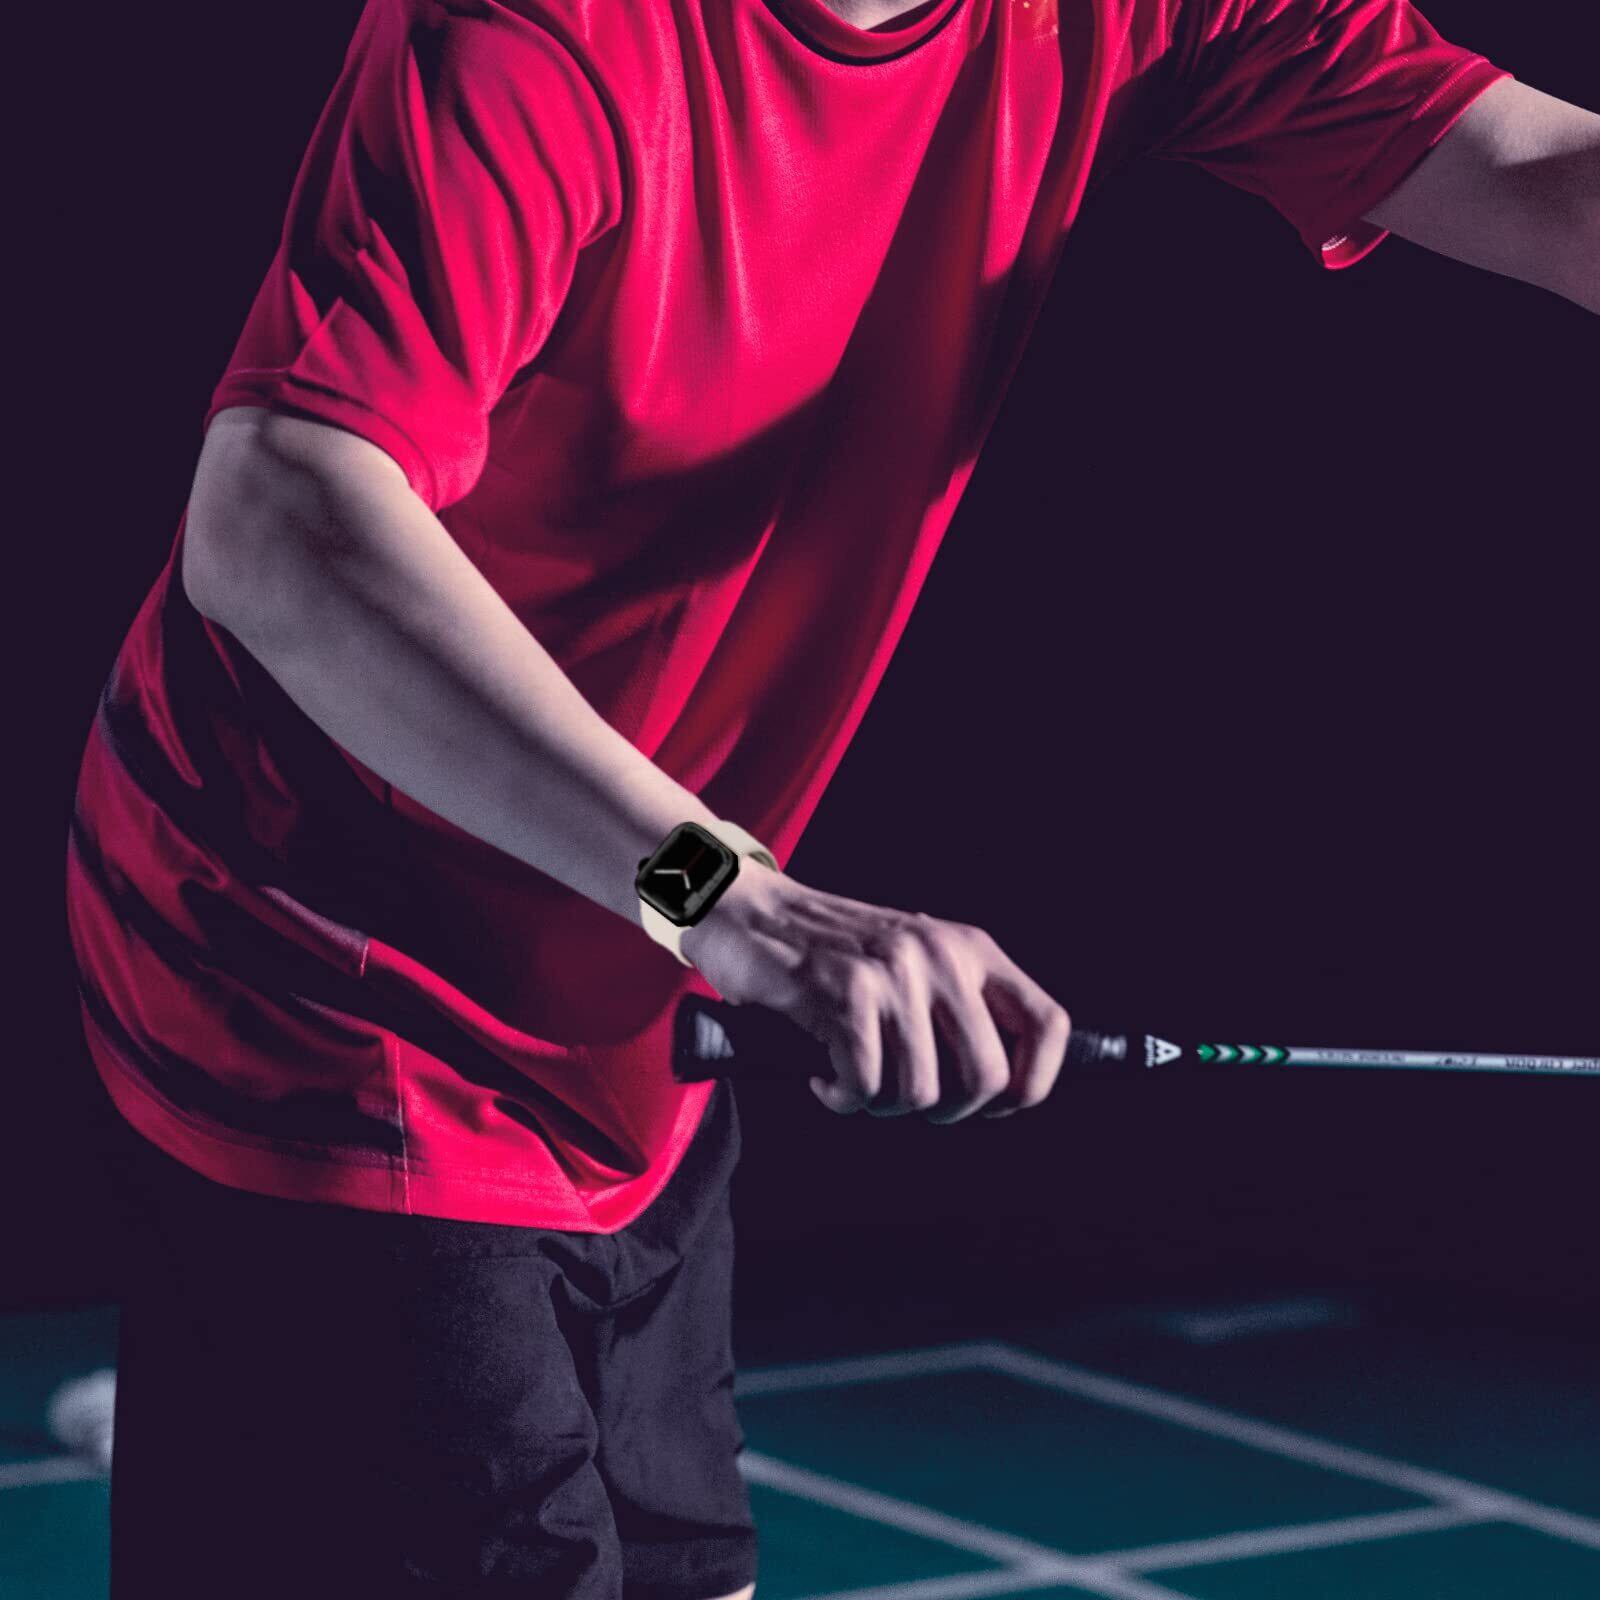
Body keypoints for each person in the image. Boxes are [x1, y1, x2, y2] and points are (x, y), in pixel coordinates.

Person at [64, 0, 1596, 1594]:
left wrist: (704, 909)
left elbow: (1542, 169)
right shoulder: (546, 35)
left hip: (633, 975)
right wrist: (726, 898)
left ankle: (259, 1459)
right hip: (331, 954)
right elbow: (276, 515)